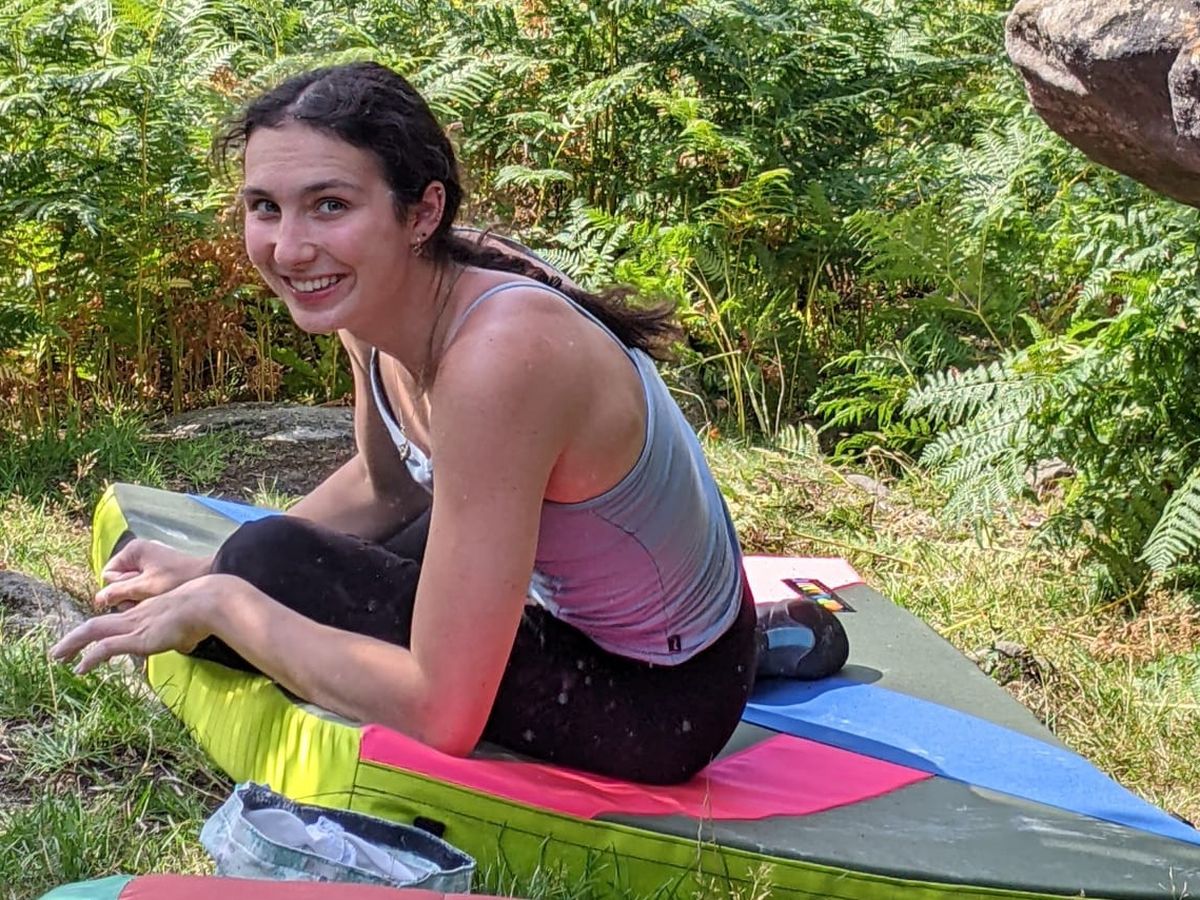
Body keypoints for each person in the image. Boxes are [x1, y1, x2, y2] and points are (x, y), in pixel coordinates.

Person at [51, 60, 758, 785]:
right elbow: (385, 487)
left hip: (658, 695)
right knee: (265, 558)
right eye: (265, 206)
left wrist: (225, 602)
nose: (289, 248)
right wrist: (215, 563)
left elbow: (442, 712)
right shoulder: (382, 290)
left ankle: (774, 648)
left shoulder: (499, 356)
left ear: (422, 213)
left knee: (267, 572)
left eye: (329, 205)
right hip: (611, 602)